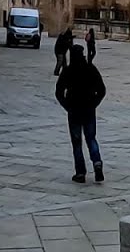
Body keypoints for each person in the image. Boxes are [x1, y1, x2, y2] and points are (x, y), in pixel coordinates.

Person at [55, 45, 106, 183]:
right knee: (91, 138)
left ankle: (80, 173)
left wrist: (67, 105)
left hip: (74, 111)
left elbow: (58, 92)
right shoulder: (90, 68)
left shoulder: (68, 71)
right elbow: (102, 90)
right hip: (89, 110)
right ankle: (97, 163)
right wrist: (94, 103)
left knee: (77, 143)